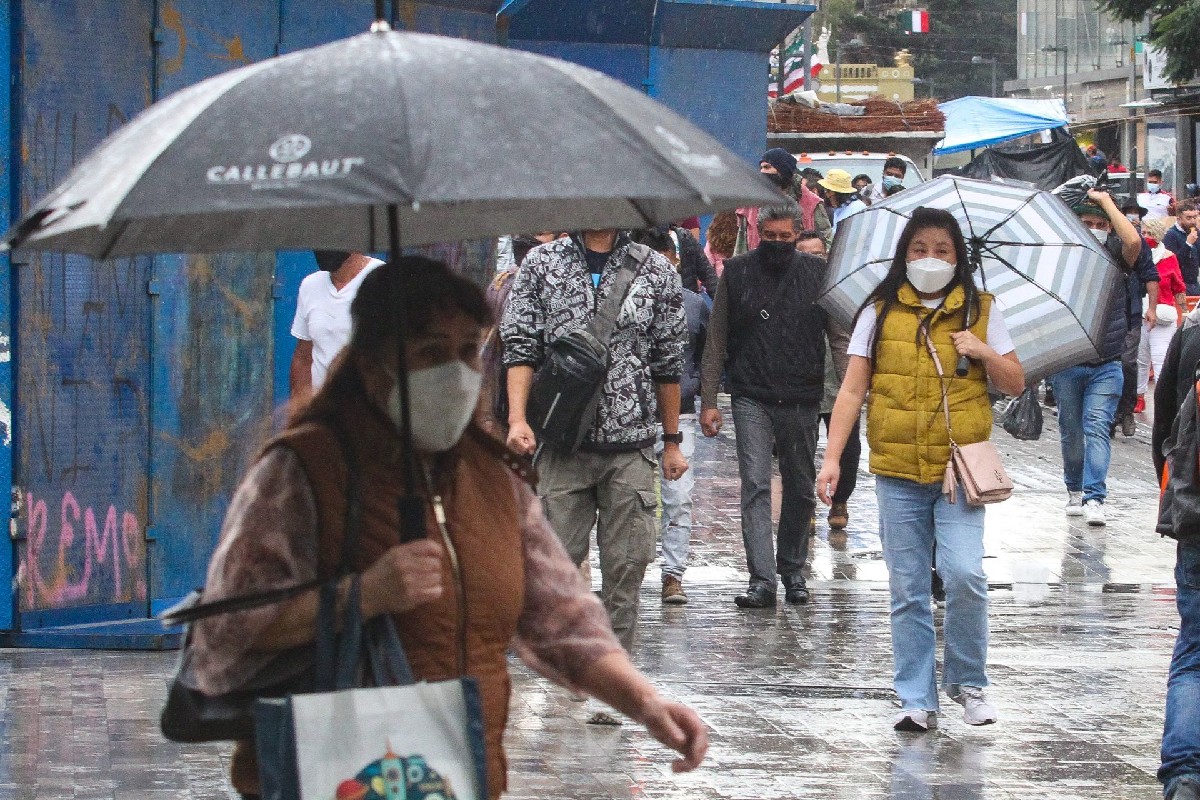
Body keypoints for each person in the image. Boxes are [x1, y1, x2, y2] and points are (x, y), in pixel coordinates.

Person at [188, 258, 707, 800]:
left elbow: (560, 616)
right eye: (430, 353)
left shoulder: (492, 476)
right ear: (373, 364)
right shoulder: (300, 472)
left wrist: (644, 703)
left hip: (456, 779)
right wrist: (361, 596)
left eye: (467, 352)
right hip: (328, 775)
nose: (456, 372)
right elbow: (224, 632)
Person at [816, 207, 1025, 732]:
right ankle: (915, 696)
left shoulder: (982, 310)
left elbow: (1016, 382)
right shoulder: (878, 312)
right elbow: (852, 390)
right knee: (907, 588)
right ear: (904, 254)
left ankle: (969, 682)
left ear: (959, 258)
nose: (931, 259)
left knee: (965, 574)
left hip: (959, 471)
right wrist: (832, 458)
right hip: (897, 472)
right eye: (920, 249)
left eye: (942, 250)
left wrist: (981, 351)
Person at [502, 229, 687, 659]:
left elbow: (668, 362)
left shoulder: (656, 269)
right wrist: (516, 419)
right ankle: (574, 660)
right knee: (557, 565)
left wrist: (672, 440)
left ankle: (615, 670)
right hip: (563, 443)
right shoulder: (542, 264)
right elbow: (521, 347)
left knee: (627, 567)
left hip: (631, 444)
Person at [699, 204, 849, 608]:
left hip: (802, 394)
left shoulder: (817, 275)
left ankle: (792, 568)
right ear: (757, 235)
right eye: (770, 238)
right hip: (751, 392)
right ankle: (761, 579)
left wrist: (851, 390)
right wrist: (709, 399)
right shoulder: (739, 271)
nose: (778, 245)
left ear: (798, 235)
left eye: (785, 238)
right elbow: (716, 339)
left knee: (801, 486)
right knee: (755, 484)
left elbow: (837, 337)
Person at [1047, 190, 1156, 525]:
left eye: (1100, 224)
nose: (1094, 228)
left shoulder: (1118, 257)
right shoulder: (1063, 257)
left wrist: (1107, 204)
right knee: (1070, 429)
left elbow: (1134, 243)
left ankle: (1095, 497)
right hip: (1069, 360)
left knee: (1097, 426)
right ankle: (1074, 491)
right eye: (1087, 223)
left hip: (1107, 361)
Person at [632, 227, 710, 604]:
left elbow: (710, 354)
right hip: (629, 414)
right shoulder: (623, 303)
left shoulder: (694, 305)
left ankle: (672, 575)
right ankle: (628, 571)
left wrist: (706, 396)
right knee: (629, 498)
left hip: (681, 414)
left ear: (676, 261)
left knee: (678, 497)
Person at [1150, 307, 1200, 800]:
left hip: (1196, 518)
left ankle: (1185, 772)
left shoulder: (1193, 327)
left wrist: (1173, 498)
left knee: (1195, 653)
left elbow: (1164, 423)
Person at [797, 230, 859, 530]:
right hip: (803, 387)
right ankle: (804, 503)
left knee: (847, 449)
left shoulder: (842, 292)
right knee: (800, 448)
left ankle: (840, 499)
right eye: (804, 254)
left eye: (818, 255)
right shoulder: (789, 290)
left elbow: (848, 340)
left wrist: (855, 386)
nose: (812, 261)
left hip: (840, 388)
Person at [481, 232, 558, 433]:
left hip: (547, 404)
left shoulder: (560, 286)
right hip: (509, 401)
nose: (525, 236)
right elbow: (489, 349)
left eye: (540, 232)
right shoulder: (504, 282)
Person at [289, 251, 381, 402]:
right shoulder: (310, 285)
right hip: (323, 413)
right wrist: (300, 409)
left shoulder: (381, 281)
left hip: (366, 410)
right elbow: (303, 357)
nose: (322, 248)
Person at [1114, 204, 1163, 437]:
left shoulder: (1138, 244)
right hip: (1099, 313)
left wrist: (1151, 308)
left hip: (1129, 313)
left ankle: (1125, 410)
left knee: (1127, 362)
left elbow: (1151, 275)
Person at [1138, 234, 1188, 412]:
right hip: (1140, 313)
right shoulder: (1136, 255)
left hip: (1164, 316)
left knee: (1162, 359)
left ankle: (1164, 400)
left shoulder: (1169, 257)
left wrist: (1185, 312)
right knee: (1140, 359)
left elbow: (1178, 287)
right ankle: (1138, 396)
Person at [1163, 199, 1200, 295]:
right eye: (1188, 218)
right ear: (1179, 219)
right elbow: (1173, 263)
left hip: (1194, 284)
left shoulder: (1196, 233)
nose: (1192, 221)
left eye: (1194, 217)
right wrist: (1188, 244)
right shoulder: (1171, 235)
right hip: (1179, 285)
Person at [819, 169, 868, 235]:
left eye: (828, 191)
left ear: (837, 193)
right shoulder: (838, 209)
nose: (827, 195)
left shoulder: (856, 208)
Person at [705, 211, 738, 276]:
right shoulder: (743, 235)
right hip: (740, 274)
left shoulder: (712, 238)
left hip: (719, 278)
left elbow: (708, 262)